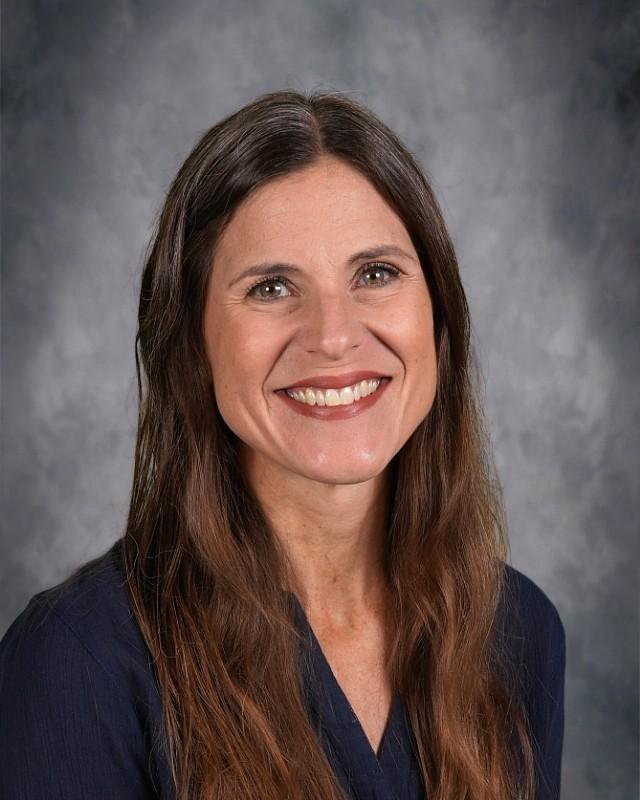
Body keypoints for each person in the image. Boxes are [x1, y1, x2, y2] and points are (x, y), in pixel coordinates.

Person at [0, 89, 566, 800]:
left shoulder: (518, 633)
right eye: (270, 287)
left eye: (377, 273)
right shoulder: (76, 664)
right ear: (191, 345)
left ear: (439, 317)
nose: (333, 334)